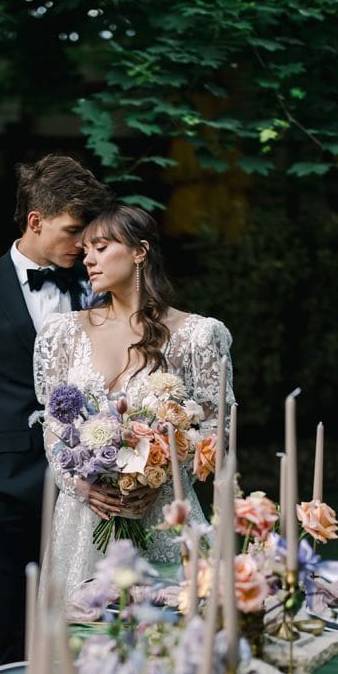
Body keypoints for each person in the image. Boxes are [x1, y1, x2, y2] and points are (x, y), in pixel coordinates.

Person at [0, 154, 113, 664]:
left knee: (91, 621)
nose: (83, 245)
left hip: (93, 489)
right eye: (74, 230)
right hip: (11, 490)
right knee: (18, 634)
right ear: (36, 221)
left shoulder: (96, 285)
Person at [33, 203, 235, 595]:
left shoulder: (197, 336)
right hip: (83, 521)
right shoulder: (62, 334)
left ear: (140, 250)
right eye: (86, 250)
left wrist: (163, 477)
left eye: (102, 247)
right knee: (81, 640)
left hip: (163, 515)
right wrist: (78, 483)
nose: (88, 258)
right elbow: (53, 426)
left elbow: (216, 431)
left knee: (169, 637)